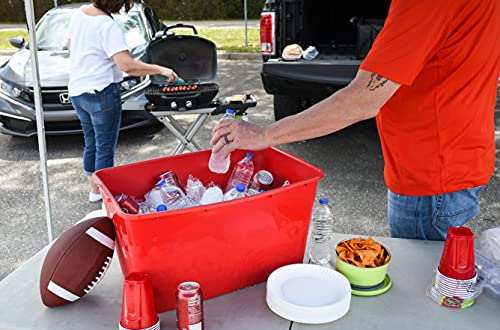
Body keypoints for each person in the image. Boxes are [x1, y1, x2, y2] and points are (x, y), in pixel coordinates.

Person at [211, 0, 500, 240]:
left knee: (422, 294)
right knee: (438, 285)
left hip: (432, 177)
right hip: (457, 160)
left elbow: (363, 99)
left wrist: (264, 135)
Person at [68, 0, 178, 202]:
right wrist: (160, 69)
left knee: (91, 142)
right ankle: (104, 195)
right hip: (101, 93)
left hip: (77, 91)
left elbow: (72, 47)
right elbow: (126, 65)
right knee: (104, 146)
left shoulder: (79, 14)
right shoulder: (107, 25)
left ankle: (93, 189)